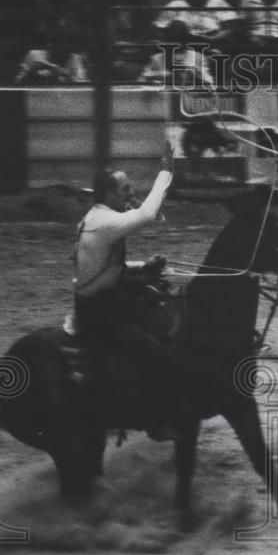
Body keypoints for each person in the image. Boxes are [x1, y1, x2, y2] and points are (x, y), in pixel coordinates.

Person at [72, 150, 180, 440]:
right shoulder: (105, 222)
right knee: (158, 355)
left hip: (96, 302)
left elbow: (102, 266)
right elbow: (147, 214)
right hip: (102, 312)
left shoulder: (95, 218)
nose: (131, 192)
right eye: (126, 189)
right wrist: (165, 173)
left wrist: (142, 266)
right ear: (109, 194)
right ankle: (155, 421)